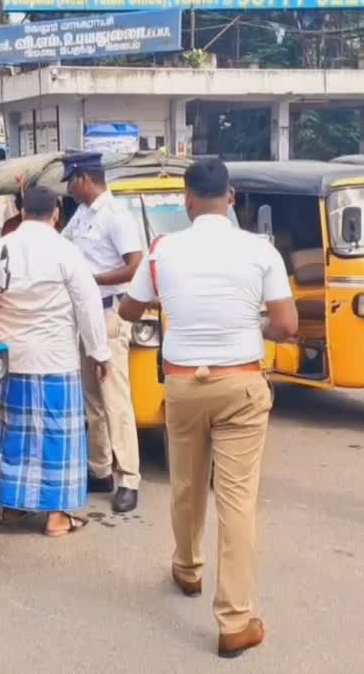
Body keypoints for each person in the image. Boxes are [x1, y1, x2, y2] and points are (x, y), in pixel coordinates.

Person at [118, 158, 297, 657]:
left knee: (187, 483)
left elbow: (130, 309)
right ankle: (235, 620)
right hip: (241, 384)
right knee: (237, 502)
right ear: (233, 196)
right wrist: (250, 326)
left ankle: (187, 568)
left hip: (182, 386)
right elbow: (285, 324)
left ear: (187, 199)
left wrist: (161, 301)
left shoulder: (163, 250)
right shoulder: (260, 250)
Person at [0, 186, 111, 536]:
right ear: (56, 214)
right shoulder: (66, 252)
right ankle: (56, 516)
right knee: (58, 436)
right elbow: (88, 306)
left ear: (21, 212)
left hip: (11, 359)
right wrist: (100, 353)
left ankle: (12, 507)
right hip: (56, 359)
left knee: (14, 435)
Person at [61, 151, 144, 513]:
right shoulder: (80, 215)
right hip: (82, 316)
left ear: (84, 178)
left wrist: (91, 279)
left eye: (70, 180)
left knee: (115, 399)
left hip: (109, 313)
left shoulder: (116, 216)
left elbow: (135, 268)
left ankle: (128, 478)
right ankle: (101, 469)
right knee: (92, 400)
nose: (68, 187)